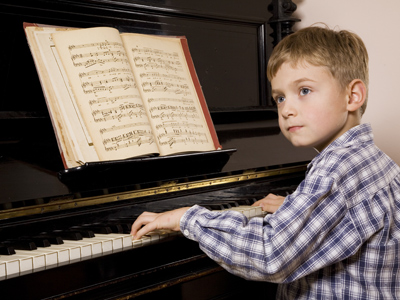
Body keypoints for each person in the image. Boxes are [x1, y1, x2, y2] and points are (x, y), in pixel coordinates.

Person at [130, 25, 400, 299]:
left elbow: (272, 255)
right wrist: (299, 210)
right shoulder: (375, 163)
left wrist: (188, 218)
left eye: (304, 90)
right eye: (280, 98)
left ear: (352, 96)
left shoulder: (335, 169)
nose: (287, 109)